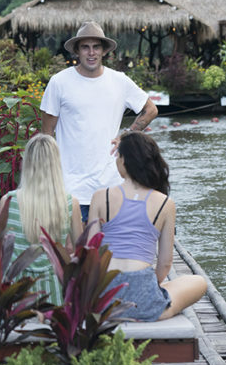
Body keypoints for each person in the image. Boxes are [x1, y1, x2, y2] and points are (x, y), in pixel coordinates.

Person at [40, 21, 158, 222]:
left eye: (96, 47)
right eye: (85, 47)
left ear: (104, 51)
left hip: (110, 186)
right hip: (70, 188)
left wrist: (127, 134)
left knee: (109, 251)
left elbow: (151, 109)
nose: (91, 53)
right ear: (76, 51)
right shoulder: (59, 82)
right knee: (72, 251)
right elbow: (45, 135)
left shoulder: (119, 81)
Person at [88, 131, 207, 321]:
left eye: (118, 155)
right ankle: (147, 298)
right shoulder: (165, 203)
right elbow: (165, 263)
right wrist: (145, 288)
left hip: (105, 300)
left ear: (125, 160)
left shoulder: (101, 197)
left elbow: (91, 253)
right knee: (198, 282)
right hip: (143, 301)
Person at [0, 133, 83, 305]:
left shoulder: (8, 201)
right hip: (53, 293)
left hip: (15, 294)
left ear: (27, 163)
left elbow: (1, 248)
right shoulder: (69, 203)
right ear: (56, 164)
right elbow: (81, 252)